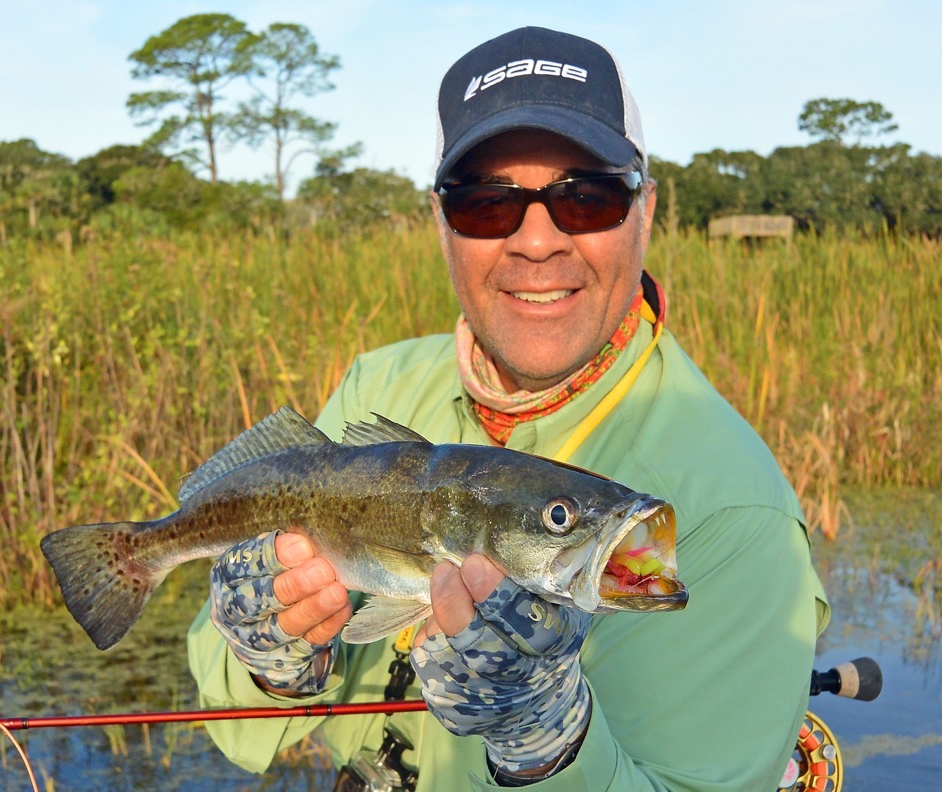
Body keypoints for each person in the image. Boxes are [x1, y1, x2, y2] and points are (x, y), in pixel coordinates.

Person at [187, 26, 829, 790]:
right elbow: (230, 727)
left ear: (645, 212)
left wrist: (546, 744)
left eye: (585, 198)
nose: (536, 242)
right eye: (489, 203)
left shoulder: (733, 509)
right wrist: (268, 664)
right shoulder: (376, 386)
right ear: (441, 223)